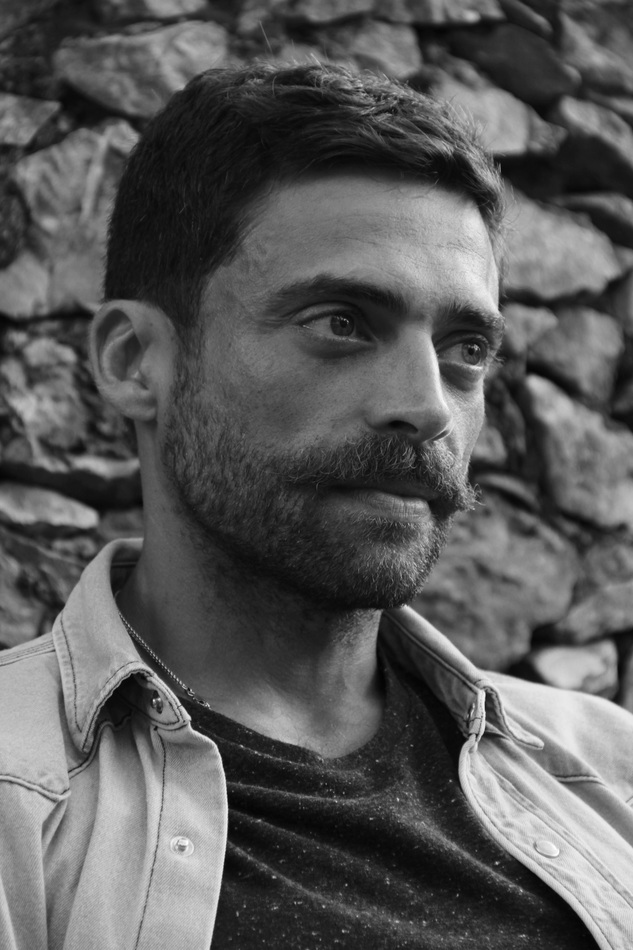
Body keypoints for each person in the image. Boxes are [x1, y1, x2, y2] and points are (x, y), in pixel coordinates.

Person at [0, 61, 632, 950]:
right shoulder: (19, 802)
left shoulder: (607, 773)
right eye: (340, 322)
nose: (426, 406)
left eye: (465, 347)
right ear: (134, 361)